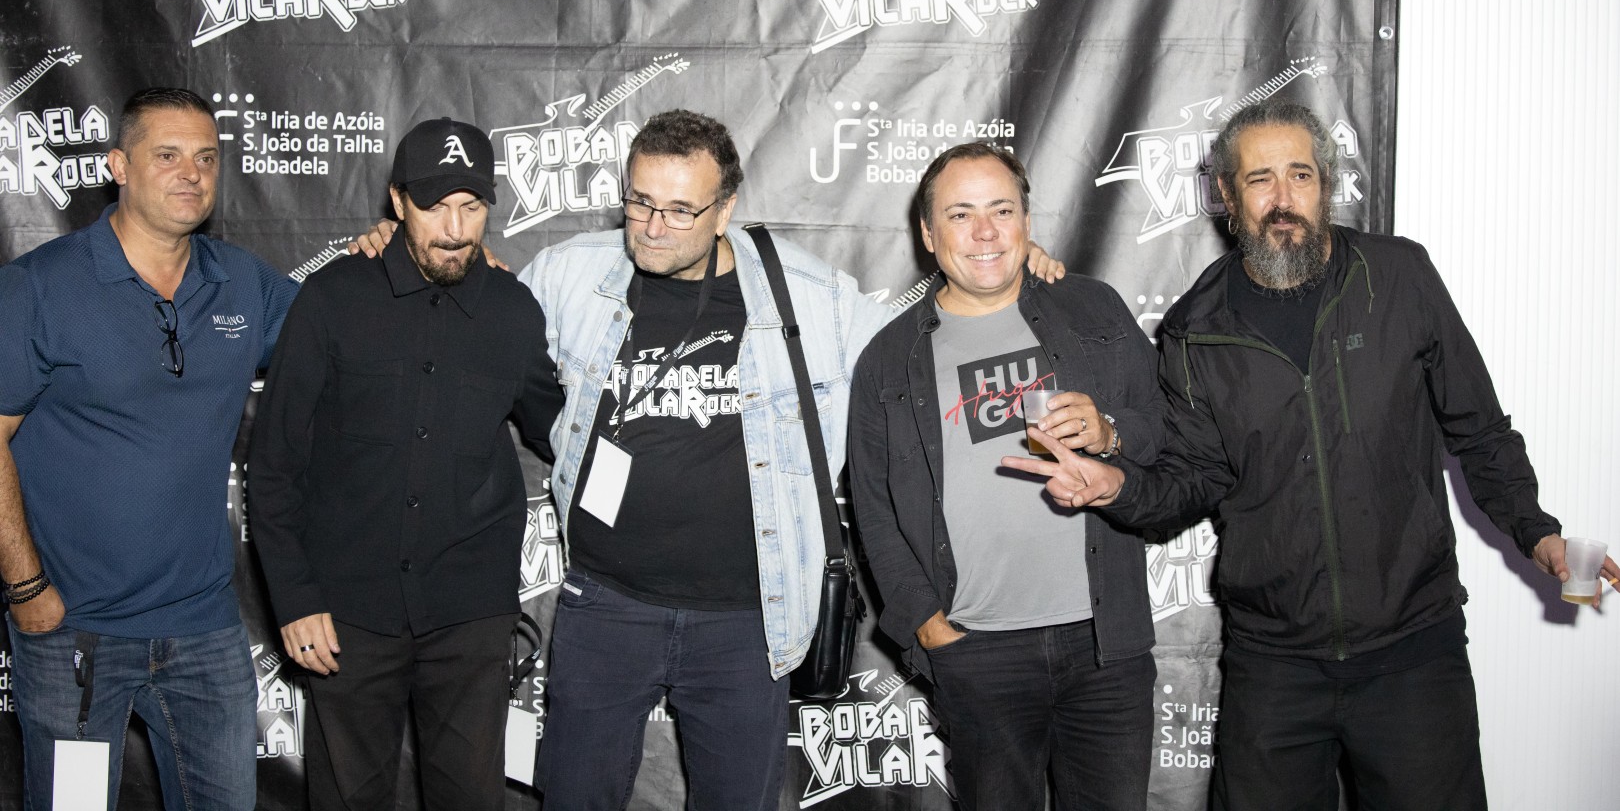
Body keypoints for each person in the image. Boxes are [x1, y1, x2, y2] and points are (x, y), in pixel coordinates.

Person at [1008, 100, 1620, 810]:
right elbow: (1191, 482)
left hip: (1413, 650)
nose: (1283, 198)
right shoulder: (1195, 329)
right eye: (1259, 179)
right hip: (1274, 665)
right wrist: (1116, 485)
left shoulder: (1399, 277)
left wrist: (1538, 533)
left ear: (1325, 184)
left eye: (1300, 175)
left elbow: (1479, 430)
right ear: (1227, 194)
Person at [510, 110, 1062, 808]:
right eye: (640, 202)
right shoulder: (571, 272)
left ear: (725, 209)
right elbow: (489, 326)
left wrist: (1008, 280)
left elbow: (925, 352)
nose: (653, 227)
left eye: (681, 210)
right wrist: (402, 247)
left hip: (749, 619)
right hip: (605, 605)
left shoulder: (805, 292)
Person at [249, 118, 564, 811]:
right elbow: (273, 465)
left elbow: (561, 433)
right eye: (434, 206)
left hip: (470, 618)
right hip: (347, 618)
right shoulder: (332, 298)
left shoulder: (512, 310)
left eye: (471, 207)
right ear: (397, 201)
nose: (454, 228)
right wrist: (295, 598)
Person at [0, 88, 298, 811]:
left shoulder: (242, 282)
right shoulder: (40, 287)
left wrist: (389, 256)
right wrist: (28, 592)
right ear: (119, 166)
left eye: (207, 158)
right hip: (73, 635)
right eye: (167, 155)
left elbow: (345, 332)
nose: (191, 173)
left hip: (204, 631)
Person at [847, 142, 1161, 811]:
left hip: (1105, 645)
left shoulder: (1092, 309)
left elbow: (1165, 431)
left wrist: (1110, 431)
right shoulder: (889, 358)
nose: (985, 232)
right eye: (960, 215)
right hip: (976, 651)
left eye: (1002, 210)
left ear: (1026, 221)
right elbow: (873, 509)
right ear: (928, 233)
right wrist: (927, 625)